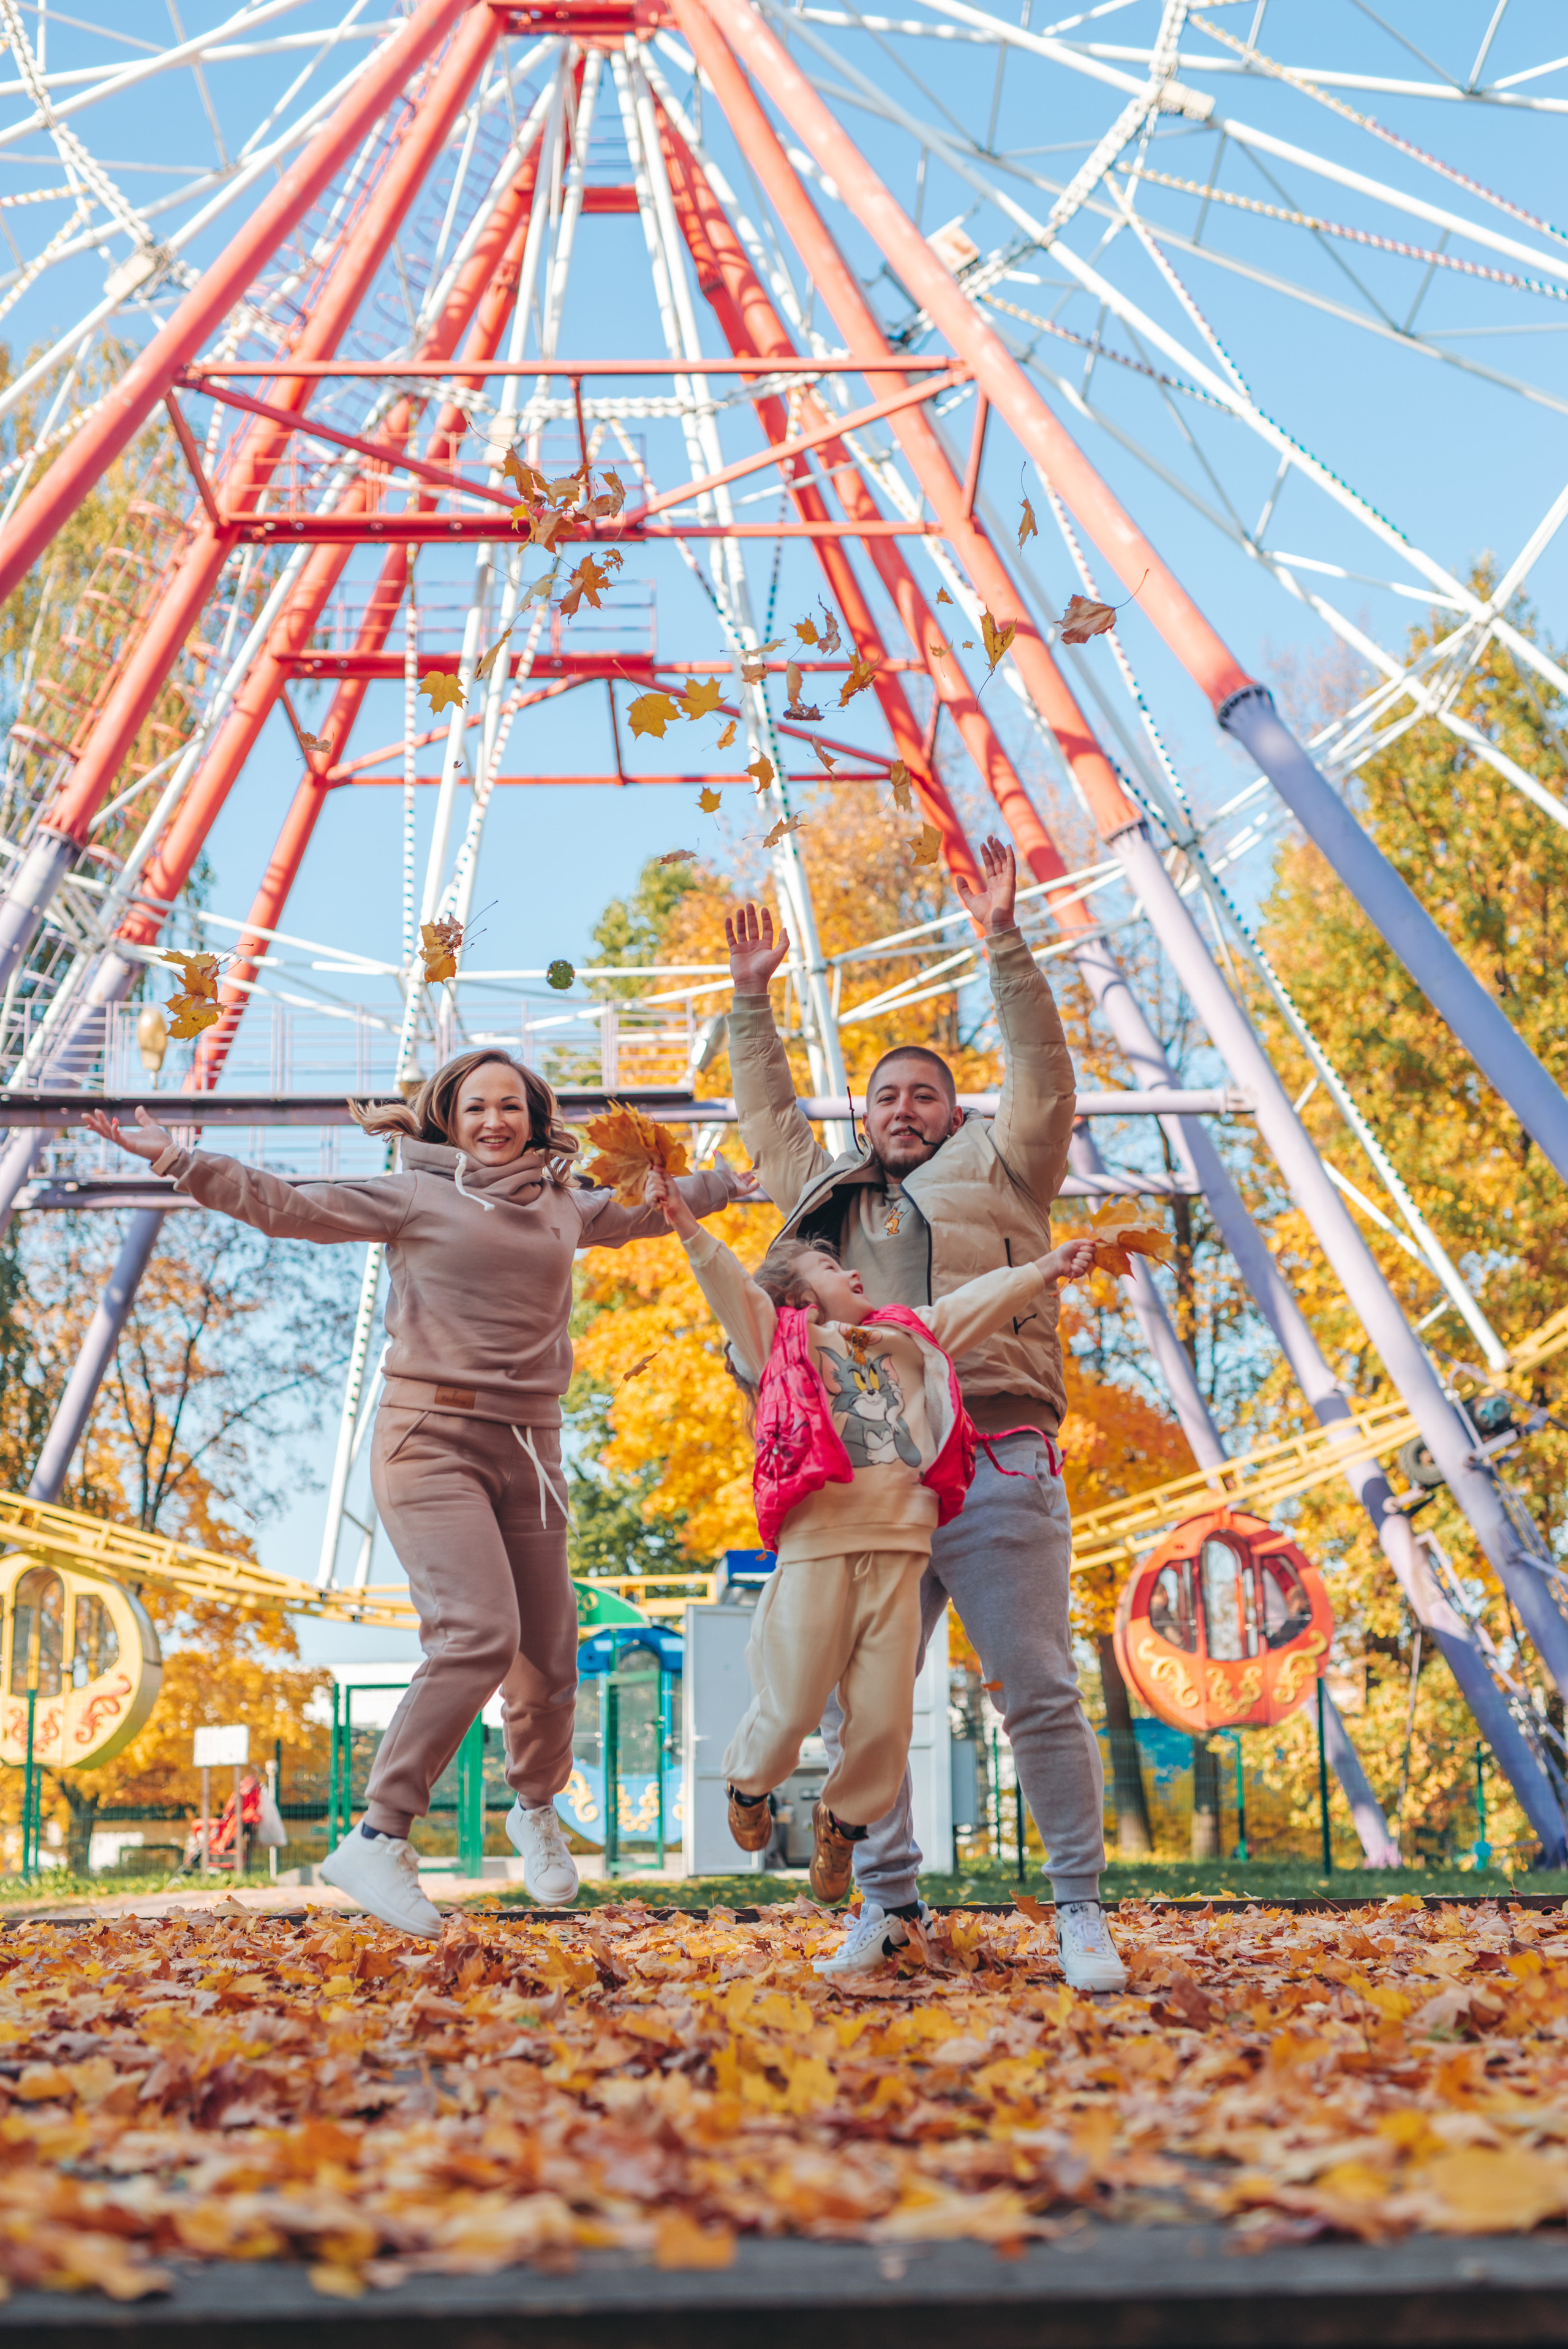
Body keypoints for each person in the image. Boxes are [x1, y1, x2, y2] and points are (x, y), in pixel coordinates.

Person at [85, 1051, 750, 1939]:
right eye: (476, 1106)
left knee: (550, 1659)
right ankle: (378, 1833)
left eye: (511, 1105)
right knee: (479, 1633)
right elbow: (290, 1206)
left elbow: (644, 1213)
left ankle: (535, 1809)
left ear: (534, 1115)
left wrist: (724, 1183)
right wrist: (179, 1159)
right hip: (429, 1435)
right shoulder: (416, 1195)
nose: (494, 1120)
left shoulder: (565, 1201)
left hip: (534, 1445)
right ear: (447, 1117)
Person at [725, 836, 1126, 1990]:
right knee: (866, 1706)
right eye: (886, 1093)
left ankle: (1080, 1908)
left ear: (957, 1113)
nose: (905, 1105)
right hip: (872, 1472)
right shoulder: (830, 1194)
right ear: (868, 1115)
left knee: (1036, 1686)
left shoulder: (1008, 1166)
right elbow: (767, 1118)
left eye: (926, 1092)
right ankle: (891, 1906)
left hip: (993, 1445)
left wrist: (1003, 938)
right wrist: (750, 1004)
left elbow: (1044, 1070)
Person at [647, 1167, 1094, 1912]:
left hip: (901, 1551)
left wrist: (1043, 1269)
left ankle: (844, 1820)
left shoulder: (905, 1340)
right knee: (791, 1703)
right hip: (818, 1552)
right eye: (830, 1267)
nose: (851, 1270)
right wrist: (690, 1231)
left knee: (884, 1720)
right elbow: (733, 1290)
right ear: (796, 1297)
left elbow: (967, 1305)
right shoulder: (779, 1341)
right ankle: (749, 1780)